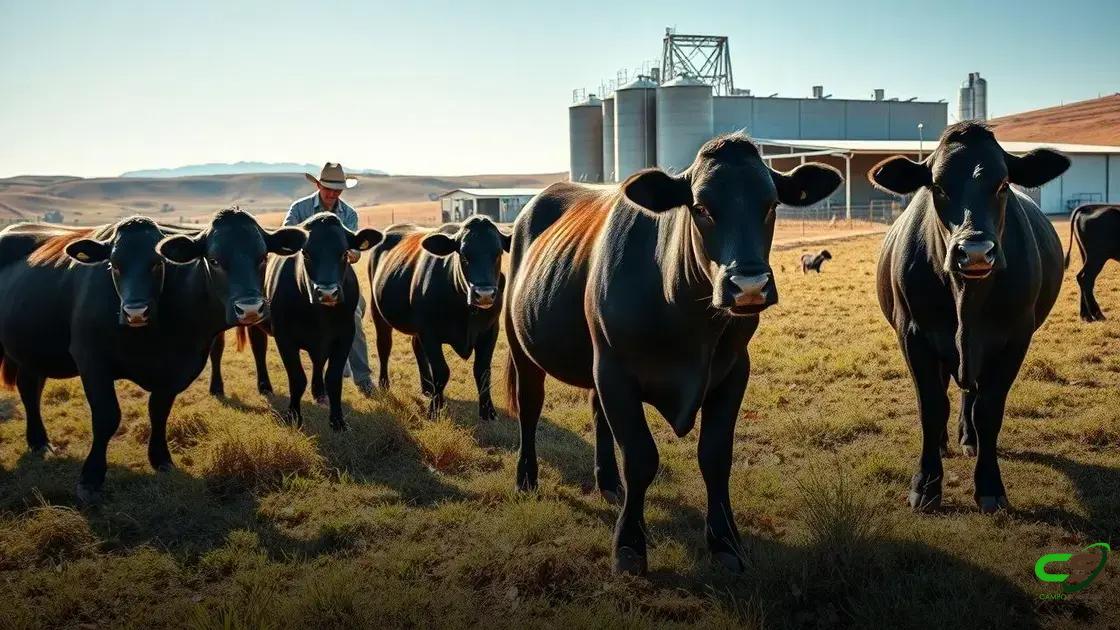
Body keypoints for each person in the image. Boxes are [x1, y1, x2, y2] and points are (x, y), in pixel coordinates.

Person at [283, 162, 375, 395]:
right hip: (305, 275)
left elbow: (355, 251)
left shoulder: (350, 214)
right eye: (328, 188)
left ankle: (362, 378)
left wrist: (351, 253)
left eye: (338, 189)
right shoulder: (299, 208)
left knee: (353, 315)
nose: (333, 193)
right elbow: (287, 239)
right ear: (318, 184)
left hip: (338, 275)